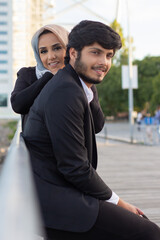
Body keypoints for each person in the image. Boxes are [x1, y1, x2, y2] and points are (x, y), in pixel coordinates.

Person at [23, 20, 160, 240]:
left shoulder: (75, 85)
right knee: (149, 233)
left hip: (59, 191)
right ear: (74, 53)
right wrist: (119, 202)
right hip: (53, 204)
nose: (103, 62)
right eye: (96, 53)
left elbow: (98, 124)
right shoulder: (65, 91)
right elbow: (74, 167)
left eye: (108, 55)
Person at [10, 24, 104, 133]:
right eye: (44, 51)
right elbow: (18, 105)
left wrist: (81, 83)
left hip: (72, 146)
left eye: (57, 48)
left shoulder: (81, 78)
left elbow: (97, 125)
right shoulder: (28, 74)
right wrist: (48, 77)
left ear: (69, 50)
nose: (51, 56)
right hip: (39, 148)